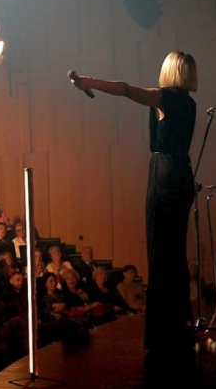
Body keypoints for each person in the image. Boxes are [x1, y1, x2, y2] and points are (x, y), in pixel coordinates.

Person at [73, 51, 198, 350]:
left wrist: (91, 81)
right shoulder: (190, 103)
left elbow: (127, 89)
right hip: (183, 172)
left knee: (159, 249)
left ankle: (161, 330)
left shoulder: (165, 98)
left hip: (165, 174)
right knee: (175, 251)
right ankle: (180, 322)